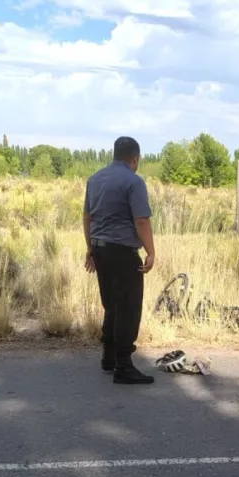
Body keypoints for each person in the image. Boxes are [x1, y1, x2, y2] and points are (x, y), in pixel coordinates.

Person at [83, 136, 156, 385]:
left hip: (100, 249)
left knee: (111, 304)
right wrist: (151, 251)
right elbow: (141, 220)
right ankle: (123, 365)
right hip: (123, 251)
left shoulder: (94, 180)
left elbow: (87, 217)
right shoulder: (134, 182)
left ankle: (109, 356)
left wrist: (90, 248)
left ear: (114, 154)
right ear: (135, 158)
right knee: (128, 307)